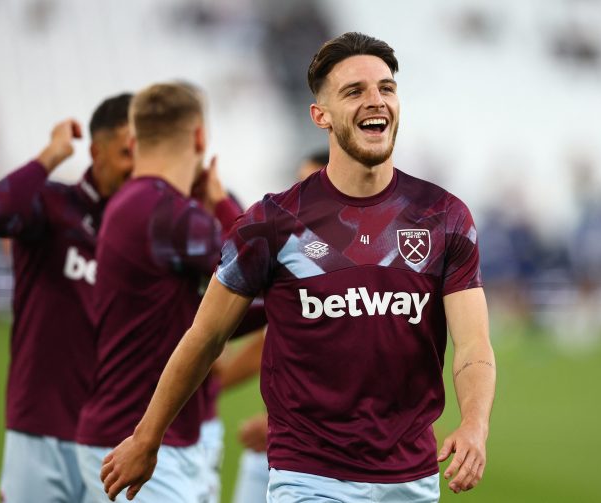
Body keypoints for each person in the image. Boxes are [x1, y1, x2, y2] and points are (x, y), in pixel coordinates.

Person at [100, 32, 496, 502]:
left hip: (411, 481)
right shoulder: (272, 222)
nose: (376, 101)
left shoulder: (444, 217)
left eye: (386, 88)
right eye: (355, 91)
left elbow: (472, 342)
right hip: (309, 478)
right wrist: (147, 438)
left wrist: (474, 424)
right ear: (320, 115)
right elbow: (205, 337)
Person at [74, 83, 244, 502]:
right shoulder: (170, 214)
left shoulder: (135, 203)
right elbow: (259, 277)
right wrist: (223, 205)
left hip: (140, 434)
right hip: (137, 441)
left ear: (134, 140)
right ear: (200, 137)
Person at [0, 94, 133, 503]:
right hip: (40, 427)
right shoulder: (53, 203)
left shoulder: (143, 230)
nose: (136, 165)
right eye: (125, 152)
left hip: (114, 437)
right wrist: (52, 153)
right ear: (96, 151)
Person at [228, 149, 328, 503]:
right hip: (281, 446)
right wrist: (203, 385)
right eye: (299, 185)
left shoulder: (363, 271)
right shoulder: (295, 253)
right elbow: (272, 338)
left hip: (328, 461)